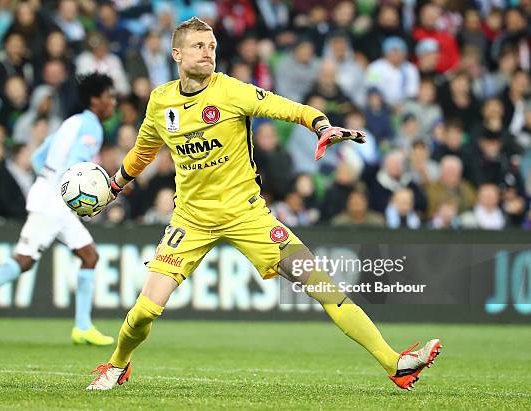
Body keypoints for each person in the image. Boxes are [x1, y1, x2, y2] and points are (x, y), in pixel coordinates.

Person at [86, 17, 441, 391]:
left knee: (321, 283)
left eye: (212, 47)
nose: (208, 53)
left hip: (246, 215)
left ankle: (395, 363)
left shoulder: (231, 91)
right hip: (190, 220)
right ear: (176, 53)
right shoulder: (161, 101)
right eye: (198, 46)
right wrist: (113, 188)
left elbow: (290, 109)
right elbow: (142, 153)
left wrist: (322, 126)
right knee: (144, 312)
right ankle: (117, 365)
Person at [0, 73, 116, 346]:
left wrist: (47, 182)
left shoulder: (70, 123)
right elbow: (76, 167)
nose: (113, 103)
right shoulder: (92, 128)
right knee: (24, 260)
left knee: (89, 255)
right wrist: (85, 197)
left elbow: (38, 157)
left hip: (51, 196)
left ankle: (83, 327)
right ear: (96, 100)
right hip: (55, 203)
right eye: (109, 97)